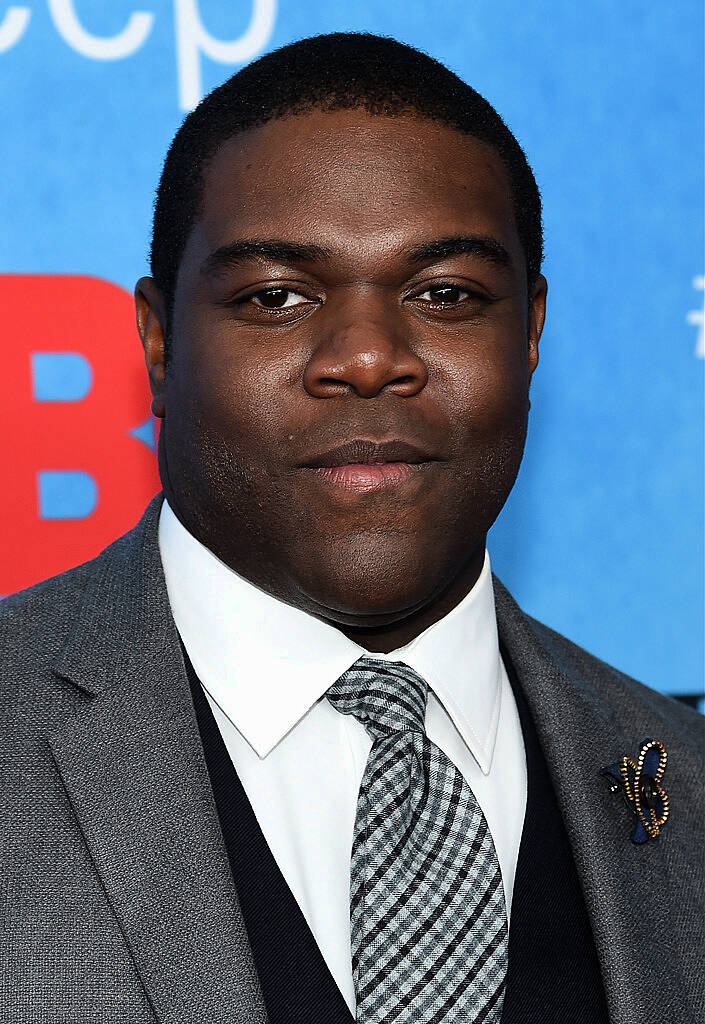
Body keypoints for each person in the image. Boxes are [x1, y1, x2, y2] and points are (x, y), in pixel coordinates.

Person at [1, 32, 701, 1024]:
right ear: (158, 343)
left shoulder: (681, 774)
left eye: (446, 293)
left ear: (531, 331)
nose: (368, 358)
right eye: (276, 296)